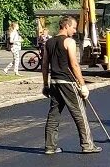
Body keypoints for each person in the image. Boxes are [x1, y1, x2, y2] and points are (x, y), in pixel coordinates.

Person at [42, 15, 99, 155]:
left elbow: (44, 65)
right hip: (68, 82)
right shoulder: (69, 42)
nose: (74, 31)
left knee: (53, 115)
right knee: (80, 113)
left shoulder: (48, 43)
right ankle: (87, 145)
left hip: (54, 82)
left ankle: (50, 147)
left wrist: (45, 84)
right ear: (66, 26)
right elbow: (74, 64)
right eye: (73, 27)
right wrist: (82, 85)